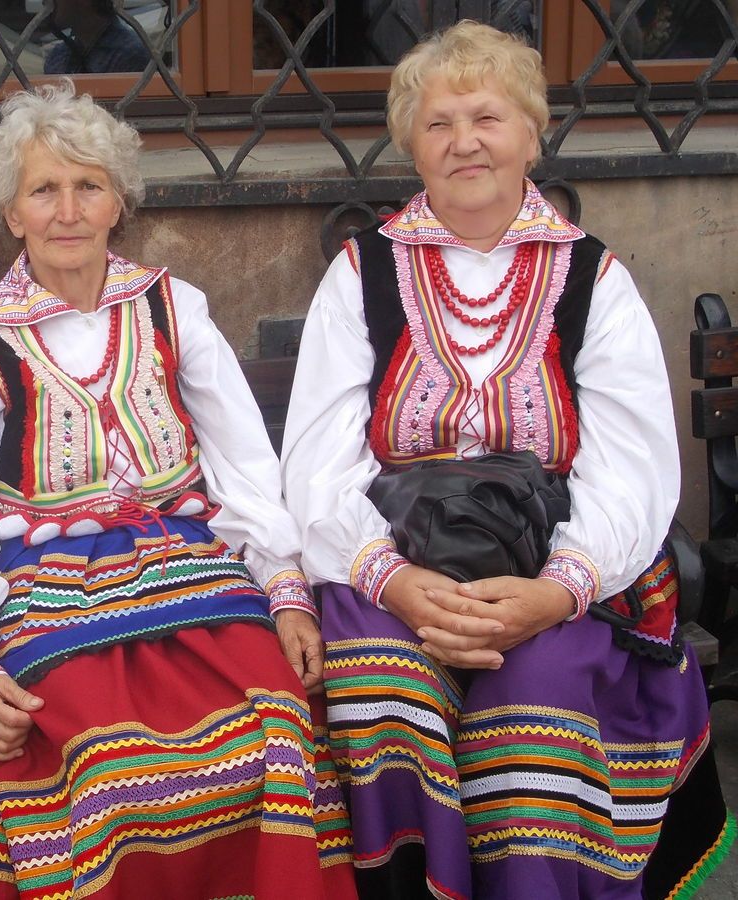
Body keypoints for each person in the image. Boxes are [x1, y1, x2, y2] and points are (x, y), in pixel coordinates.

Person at [281, 20, 732, 900]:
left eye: (486, 117)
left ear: (532, 132)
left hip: (557, 566)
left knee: (538, 700)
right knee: (380, 684)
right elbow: (315, 458)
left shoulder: (591, 277)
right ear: (412, 145)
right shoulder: (362, 273)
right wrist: (392, 581)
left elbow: (632, 465)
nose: (465, 143)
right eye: (439, 123)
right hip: (392, 561)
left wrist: (558, 589)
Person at [0, 82, 356, 898]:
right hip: (47, 585)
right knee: (104, 759)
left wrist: (287, 590)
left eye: (89, 186)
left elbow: (244, 462)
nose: (68, 210)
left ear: (120, 201)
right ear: (11, 213)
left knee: (281, 725)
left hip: (192, 564)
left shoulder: (172, 308)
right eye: (44, 190)